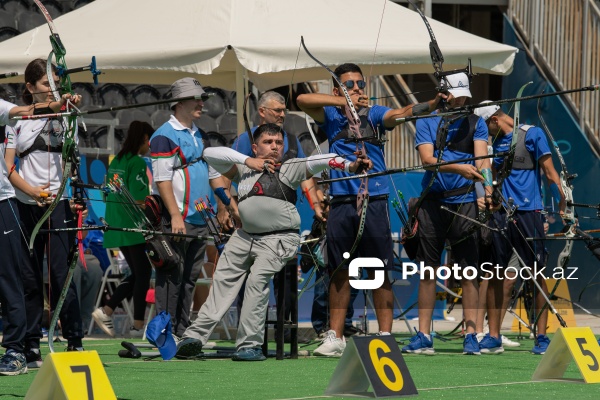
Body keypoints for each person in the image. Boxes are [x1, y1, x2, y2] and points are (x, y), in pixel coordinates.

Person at [175, 123, 372, 361]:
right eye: (268, 142)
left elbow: (325, 159)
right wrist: (249, 162)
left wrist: (350, 165)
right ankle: (195, 337)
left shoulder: (290, 167)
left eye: (278, 143)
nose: (275, 147)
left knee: (256, 281)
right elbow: (209, 154)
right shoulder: (242, 169)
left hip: (279, 237)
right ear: (256, 147)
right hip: (245, 236)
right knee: (222, 280)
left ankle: (250, 345)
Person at [297, 63, 442, 356]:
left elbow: (401, 114)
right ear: (337, 90)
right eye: (349, 85)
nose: (357, 89)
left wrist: (434, 103)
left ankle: (385, 336)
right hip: (341, 202)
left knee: (379, 270)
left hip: (374, 201)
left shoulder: (374, 114)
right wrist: (343, 101)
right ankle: (335, 337)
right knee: (339, 271)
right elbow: (302, 101)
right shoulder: (330, 113)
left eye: (360, 84)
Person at [400, 72, 493, 356]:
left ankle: (473, 334)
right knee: (428, 270)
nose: (461, 100)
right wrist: (460, 168)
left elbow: (481, 160)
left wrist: (488, 190)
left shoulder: (476, 123)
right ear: (444, 95)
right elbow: (427, 161)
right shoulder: (427, 120)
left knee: (468, 270)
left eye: (464, 96)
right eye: (456, 95)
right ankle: (425, 335)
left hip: (465, 201)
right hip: (432, 202)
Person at [4, 58, 85, 369]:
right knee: (29, 276)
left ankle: (75, 341)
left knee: (61, 274)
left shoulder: (66, 117)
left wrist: (68, 105)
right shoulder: (17, 122)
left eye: (54, 84)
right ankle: (31, 343)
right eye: (44, 85)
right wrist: (31, 192)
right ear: (29, 88)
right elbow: (8, 165)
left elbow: (72, 162)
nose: (50, 89)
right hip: (26, 205)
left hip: (59, 203)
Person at [149, 77, 237, 338]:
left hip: (200, 218)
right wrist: (175, 216)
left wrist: (228, 205)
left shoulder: (199, 133)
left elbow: (212, 173)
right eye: (196, 98)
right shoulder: (164, 136)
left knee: (189, 279)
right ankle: (164, 333)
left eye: (202, 98)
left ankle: (182, 330)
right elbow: (162, 179)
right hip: (178, 219)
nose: (201, 103)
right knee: (171, 278)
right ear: (179, 102)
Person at [474, 102, 564, 355]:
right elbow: (488, 175)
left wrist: (562, 203)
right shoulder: (493, 144)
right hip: (501, 215)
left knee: (535, 276)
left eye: (485, 127)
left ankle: (543, 337)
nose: (484, 134)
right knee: (496, 276)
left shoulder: (531, 134)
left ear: (493, 120)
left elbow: (549, 171)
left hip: (529, 214)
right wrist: (488, 196)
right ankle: (493, 336)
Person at [230, 91, 312, 343]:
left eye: (284, 110)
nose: (282, 114)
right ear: (262, 111)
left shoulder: (290, 139)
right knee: (252, 278)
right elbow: (228, 175)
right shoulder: (246, 140)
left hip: (283, 222)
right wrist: (229, 207)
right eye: (277, 110)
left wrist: (316, 202)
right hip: (252, 226)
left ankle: (284, 330)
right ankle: (251, 331)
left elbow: (303, 172)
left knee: (286, 277)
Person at [92, 121, 154, 337]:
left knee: (138, 273)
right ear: (145, 139)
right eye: (150, 141)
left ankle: (107, 310)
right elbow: (140, 200)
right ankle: (137, 325)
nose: (150, 146)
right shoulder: (137, 163)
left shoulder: (117, 159)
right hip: (132, 225)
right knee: (143, 273)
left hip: (116, 224)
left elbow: (106, 193)